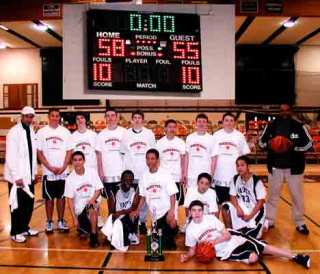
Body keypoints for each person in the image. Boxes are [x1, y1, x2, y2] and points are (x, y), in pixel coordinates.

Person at [181, 200, 310, 269]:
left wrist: (212, 243)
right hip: (225, 252)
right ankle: (259, 248)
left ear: (203, 211)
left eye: (199, 210)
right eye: (194, 210)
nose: (197, 213)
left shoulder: (211, 219)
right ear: (190, 212)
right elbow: (192, 249)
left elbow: (227, 235)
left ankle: (297, 257)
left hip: (234, 238)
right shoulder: (190, 230)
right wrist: (187, 257)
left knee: (265, 248)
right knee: (253, 258)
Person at [259, 104, 313, 235]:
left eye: (286, 110)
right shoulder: (271, 125)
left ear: (291, 111)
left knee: (297, 196)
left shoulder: (299, 126)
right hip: (275, 167)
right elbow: (261, 143)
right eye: (281, 110)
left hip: (294, 168)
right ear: (279, 111)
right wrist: (270, 144)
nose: (284, 112)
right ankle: (270, 220)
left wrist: (293, 147)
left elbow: (309, 144)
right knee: (272, 196)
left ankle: (300, 222)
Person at [130, 149, 178, 250]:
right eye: (147, 158)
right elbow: (142, 196)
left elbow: (172, 194)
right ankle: (165, 232)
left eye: (152, 159)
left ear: (157, 160)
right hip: (155, 213)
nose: (149, 161)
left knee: (171, 224)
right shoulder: (144, 176)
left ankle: (174, 230)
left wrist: (172, 210)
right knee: (158, 242)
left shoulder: (165, 174)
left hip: (167, 209)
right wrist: (138, 210)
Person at [4, 106, 38, 243]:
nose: (29, 119)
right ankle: (15, 232)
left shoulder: (31, 130)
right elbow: (11, 156)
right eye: (27, 116)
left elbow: (32, 155)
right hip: (17, 178)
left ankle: (24, 228)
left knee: (28, 204)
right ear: (21, 116)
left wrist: (34, 174)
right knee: (17, 205)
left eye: (31, 116)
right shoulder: (13, 132)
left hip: (28, 176)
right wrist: (16, 176)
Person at [37, 108, 73, 233]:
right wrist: (49, 167)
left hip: (62, 172)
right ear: (48, 117)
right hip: (48, 172)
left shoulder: (66, 132)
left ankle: (61, 220)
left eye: (57, 116)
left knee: (61, 197)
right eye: (52, 115)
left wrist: (63, 167)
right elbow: (39, 152)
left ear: (59, 117)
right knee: (49, 198)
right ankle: (49, 222)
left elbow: (69, 151)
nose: (55, 118)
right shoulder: (41, 132)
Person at [120, 110, 156, 234]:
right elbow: (123, 153)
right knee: (132, 200)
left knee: (144, 199)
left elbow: (153, 153)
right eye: (134, 117)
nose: (137, 120)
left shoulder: (149, 134)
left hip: (145, 173)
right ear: (131, 120)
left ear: (143, 120)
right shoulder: (126, 134)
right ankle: (132, 222)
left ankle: (142, 221)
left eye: (139, 117)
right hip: (131, 174)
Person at [64, 151, 103, 247]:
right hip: (80, 210)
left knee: (92, 208)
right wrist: (74, 219)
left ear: (84, 161)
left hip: (92, 204)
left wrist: (92, 199)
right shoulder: (69, 179)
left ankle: (94, 237)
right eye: (75, 160)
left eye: (80, 160)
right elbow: (70, 200)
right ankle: (85, 227)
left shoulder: (92, 172)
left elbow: (99, 189)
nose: (77, 162)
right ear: (72, 162)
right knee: (84, 230)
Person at [221, 156, 266, 239]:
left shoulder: (256, 181)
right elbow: (232, 196)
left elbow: (261, 201)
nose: (239, 168)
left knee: (251, 237)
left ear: (248, 166)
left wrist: (251, 215)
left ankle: (262, 224)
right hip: (243, 207)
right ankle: (230, 233)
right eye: (237, 165)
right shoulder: (235, 179)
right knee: (225, 207)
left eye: (242, 165)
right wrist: (238, 208)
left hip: (256, 210)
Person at [212, 112, 250, 207]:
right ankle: (218, 222)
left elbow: (244, 157)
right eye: (226, 120)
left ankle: (231, 222)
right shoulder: (216, 135)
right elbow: (213, 157)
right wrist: (211, 173)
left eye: (231, 121)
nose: (229, 123)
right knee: (218, 205)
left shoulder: (240, 136)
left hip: (235, 177)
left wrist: (245, 174)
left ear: (235, 123)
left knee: (234, 206)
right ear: (223, 122)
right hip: (218, 177)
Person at [96, 107, 126, 212]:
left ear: (117, 117)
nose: (110, 118)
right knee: (110, 198)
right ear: (105, 118)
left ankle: (122, 222)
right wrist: (100, 171)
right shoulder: (101, 135)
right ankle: (112, 219)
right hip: (108, 173)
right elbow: (98, 155)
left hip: (122, 173)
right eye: (108, 116)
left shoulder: (124, 132)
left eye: (112, 115)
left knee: (123, 199)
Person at [101, 170, 139, 251]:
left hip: (128, 215)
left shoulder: (135, 190)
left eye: (130, 180)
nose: (128, 182)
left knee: (134, 214)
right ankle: (113, 236)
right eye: (126, 179)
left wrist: (121, 212)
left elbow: (134, 207)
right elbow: (111, 210)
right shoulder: (114, 190)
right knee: (115, 221)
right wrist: (114, 217)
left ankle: (131, 234)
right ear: (121, 179)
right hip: (118, 216)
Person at [157, 119, 186, 214]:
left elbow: (183, 160)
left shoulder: (180, 142)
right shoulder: (159, 143)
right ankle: (160, 224)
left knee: (176, 202)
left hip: (176, 177)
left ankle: (175, 222)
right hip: (163, 177)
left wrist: (183, 174)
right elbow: (157, 161)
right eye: (170, 127)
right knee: (163, 201)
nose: (172, 129)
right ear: (165, 128)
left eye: (174, 127)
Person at [185, 113, 214, 188]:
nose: (201, 124)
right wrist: (185, 173)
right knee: (192, 198)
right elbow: (186, 157)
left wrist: (211, 175)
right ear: (196, 123)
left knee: (204, 199)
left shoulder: (211, 139)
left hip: (205, 175)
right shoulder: (189, 137)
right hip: (191, 175)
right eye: (199, 121)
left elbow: (214, 159)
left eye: (204, 121)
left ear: (207, 124)